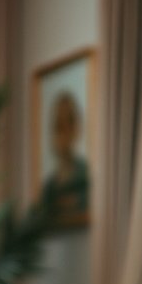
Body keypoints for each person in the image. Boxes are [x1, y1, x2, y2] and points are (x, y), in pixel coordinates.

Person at [39, 90, 89, 224]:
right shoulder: (49, 186)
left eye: (68, 125)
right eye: (58, 127)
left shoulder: (85, 175)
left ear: (75, 129)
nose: (62, 135)